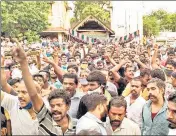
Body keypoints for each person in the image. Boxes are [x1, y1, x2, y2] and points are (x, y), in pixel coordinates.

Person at [11, 46, 77, 135]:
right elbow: (33, 94)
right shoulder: (45, 117)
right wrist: (23, 63)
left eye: (59, 105)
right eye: (52, 106)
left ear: (68, 106)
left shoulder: (78, 126)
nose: (55, 109)